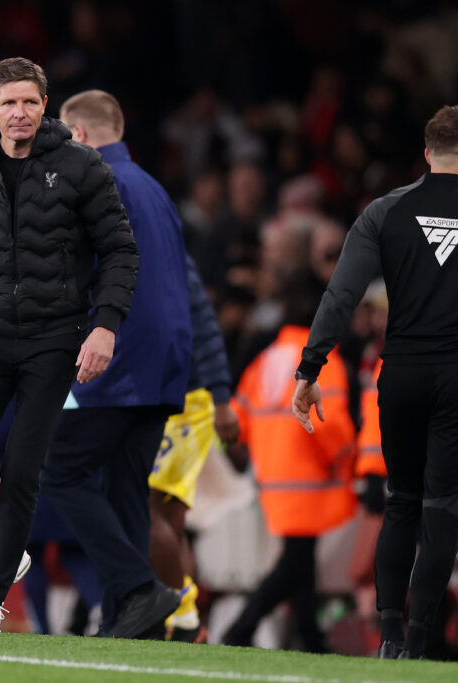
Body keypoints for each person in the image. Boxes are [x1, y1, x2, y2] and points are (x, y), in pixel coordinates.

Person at [0, 64, 139, 633]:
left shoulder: (80, 165)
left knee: (22, 468)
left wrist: (105, 325)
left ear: (46, 106)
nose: (20, 112)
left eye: (30, 101)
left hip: (55, 339)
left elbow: (119, 249)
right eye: (9, 102)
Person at [292, 104, 458, 660]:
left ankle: (387, 636)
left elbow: (341, 295)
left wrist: (310, 368)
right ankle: (418, 640)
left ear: (427, 154)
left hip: (402, 372)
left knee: (402, 502)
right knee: (442, 508)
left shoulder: (386, 211)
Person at [36, 89, 190, 640]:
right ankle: (136, 615)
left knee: (59, 469)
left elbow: (79, 273)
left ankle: (139, 588)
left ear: (77, 135)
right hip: (166, 363)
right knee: (126, 488)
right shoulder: (155, 190)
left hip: (119, 357)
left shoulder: (98, 182)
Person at [224, 274, 356, 652]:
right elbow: (334, 425)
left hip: (274, 481)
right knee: (295, 563)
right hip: (311, 479)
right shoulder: (322, 361)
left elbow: (238, 420)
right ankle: (241, 629)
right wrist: (348, 461)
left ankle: (311, 639)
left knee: (301, 559)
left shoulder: (265, 360)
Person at [148, 254, 239, 643]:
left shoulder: (168, 257)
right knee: (169, 520)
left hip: (186, 401)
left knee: (148, 510)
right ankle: (179, 620)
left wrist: (221, 399)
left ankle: (182, 618)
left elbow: (204, 326)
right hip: (171, 397)